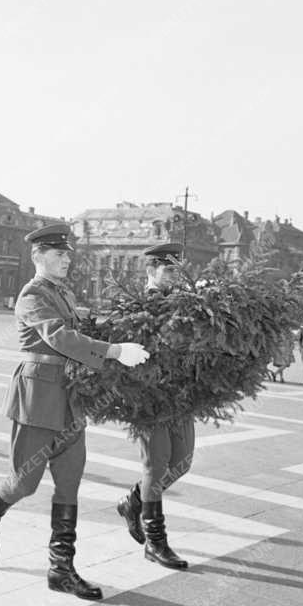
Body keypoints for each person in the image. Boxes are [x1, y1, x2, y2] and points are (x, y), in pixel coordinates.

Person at [0, 224, 150, 600]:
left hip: (71, 398)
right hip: (37, 398)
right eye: (58, 254)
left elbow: (82, 330)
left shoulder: (63, 293)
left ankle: (61, 569)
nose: (67, 259)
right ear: (38, 256)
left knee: (70, 483)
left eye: (68, 254)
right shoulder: (32, 294)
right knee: (24, 482)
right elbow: (59, 337)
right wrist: (115, 351)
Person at [115, 243, 192, 571]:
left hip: (181, 395)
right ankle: (155, 542)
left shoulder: (183, 304)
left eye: (178, 269)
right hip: (150, 397)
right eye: (169, 269)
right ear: (151, 271)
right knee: (156, 466)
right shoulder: (136, 305)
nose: (175, 276)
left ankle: (133, 502)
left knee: (183, 461)